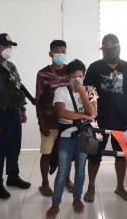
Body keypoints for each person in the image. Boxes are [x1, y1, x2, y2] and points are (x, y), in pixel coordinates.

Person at [83, 34, 127, 202]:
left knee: (121, 155)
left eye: (112, 46)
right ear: (102, 49)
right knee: (94, 155)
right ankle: (90, 186)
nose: (109, 49)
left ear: (118, 47)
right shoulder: (94, 68)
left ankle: (120, 187)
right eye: (106, 47)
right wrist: (91, 113)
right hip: (98, 121)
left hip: (121, 120)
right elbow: (88, 92)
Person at [0, 33, 31, 200]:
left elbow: (18, 89)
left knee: (14, 147)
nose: (8, 49)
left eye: (10, 46)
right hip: (0, 113)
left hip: (14, 112)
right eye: (5, 46)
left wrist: (22, 110)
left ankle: (13, 176)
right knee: (0, 150)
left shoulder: (12, 66)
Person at [46, 59, 97, 218]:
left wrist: (81, 91)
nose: (77, 79)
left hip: (84, 137)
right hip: (66, 136)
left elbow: (93, 113)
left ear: (84, 76)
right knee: (62, 171)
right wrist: (83, 116)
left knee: (81, 170)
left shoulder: (90, 90)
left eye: (80, 76)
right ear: (67, 77)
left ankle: (77, 199)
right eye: (74, 76)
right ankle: (55, 203)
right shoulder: (60, 91)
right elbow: (62, 113)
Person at [35, 40, 73, 197]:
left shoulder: (70, 72)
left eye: (63, 51)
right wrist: (41, 123)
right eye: (57, 51)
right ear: (50, 53)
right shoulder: (42, 73)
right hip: (49, 122)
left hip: (68, 121)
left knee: (67, 154)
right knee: (47, 153)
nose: (61, 54)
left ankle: (66, 179)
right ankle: (45, 183)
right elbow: (39, 100)